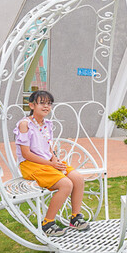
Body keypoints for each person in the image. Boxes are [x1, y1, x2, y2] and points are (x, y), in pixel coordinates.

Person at [15, 90, 90, 237]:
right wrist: (51, 165)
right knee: (66, 184)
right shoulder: (25, 124)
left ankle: (75, 217)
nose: (46, 106)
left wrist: (54, 159)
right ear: (31, 105)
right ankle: (48, 223)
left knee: (78, 179)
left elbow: (49, 146)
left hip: (48, 162)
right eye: (42, 103)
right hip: (31, 164)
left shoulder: (47, 124)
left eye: (49, 104)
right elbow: (26, 154)